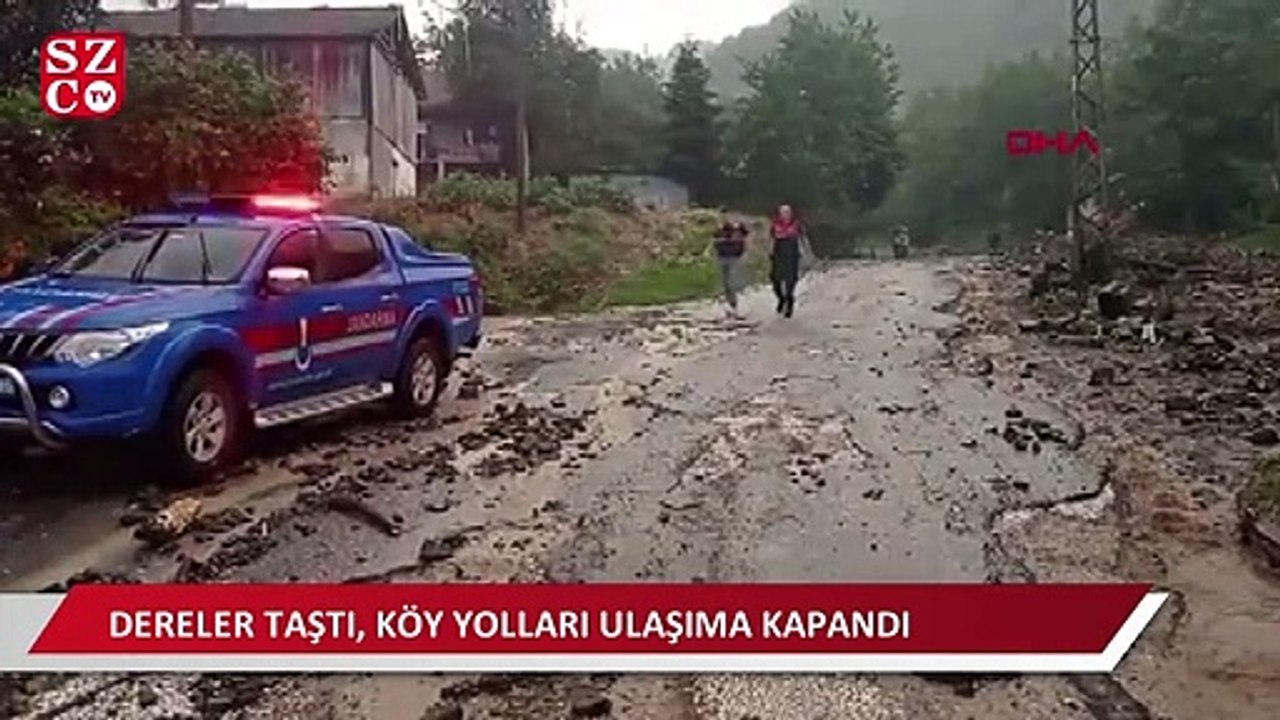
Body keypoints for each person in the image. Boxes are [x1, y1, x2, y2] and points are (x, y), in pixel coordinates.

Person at [769, 205, 804, 318]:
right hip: (778, 256)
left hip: (792, 257)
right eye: (783, 212)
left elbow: (803, 240)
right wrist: (769, 252)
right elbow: (771, 239)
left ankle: (789, 302)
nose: (785, 215)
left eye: (787, 212)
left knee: (790, 281)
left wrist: (804, 254)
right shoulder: (775, 225)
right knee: (775, 281)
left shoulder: (796, 225)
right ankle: (781, 299)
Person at [711, 220, 748, 315]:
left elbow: (744, 238)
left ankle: (735, 303)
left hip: (734, 258)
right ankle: (730, 304)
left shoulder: (739, 232)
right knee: (725, 283)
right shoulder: (720, 233)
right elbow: (714, 241)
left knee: (732, 281)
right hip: (722, 258)